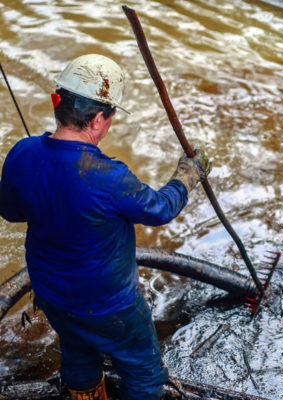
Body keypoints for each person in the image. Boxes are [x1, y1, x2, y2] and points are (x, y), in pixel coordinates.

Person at [0, 54, 210, 400]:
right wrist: (187, 176)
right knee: (143, 371)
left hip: (51, 292)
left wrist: (51, 201)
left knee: (78, 351)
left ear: (57, 102)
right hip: (109, 305)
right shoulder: (109, 176)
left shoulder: (22, 153)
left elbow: (9, 212)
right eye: (110, 117)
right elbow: (159, 209)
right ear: (99, 118)